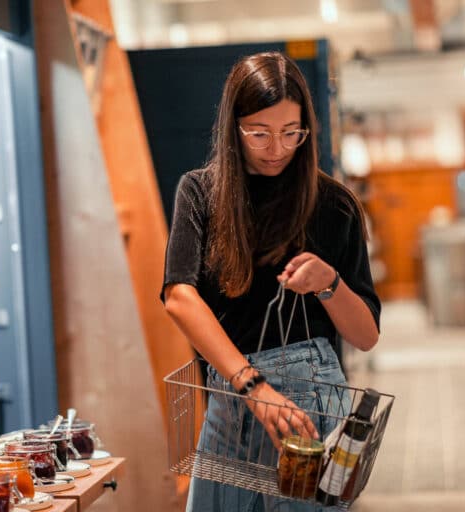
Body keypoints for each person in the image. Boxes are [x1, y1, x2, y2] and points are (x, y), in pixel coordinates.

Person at [161, 51, 381, 511]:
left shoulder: (334, 204)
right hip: (232, 393)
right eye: (259, 133)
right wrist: (253, 387)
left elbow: (365, 336)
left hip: (311, 401)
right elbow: (179, 296)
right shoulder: (200, 192)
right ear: (232, 127)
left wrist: (329, 283)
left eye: (290, 133)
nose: (277, 148)